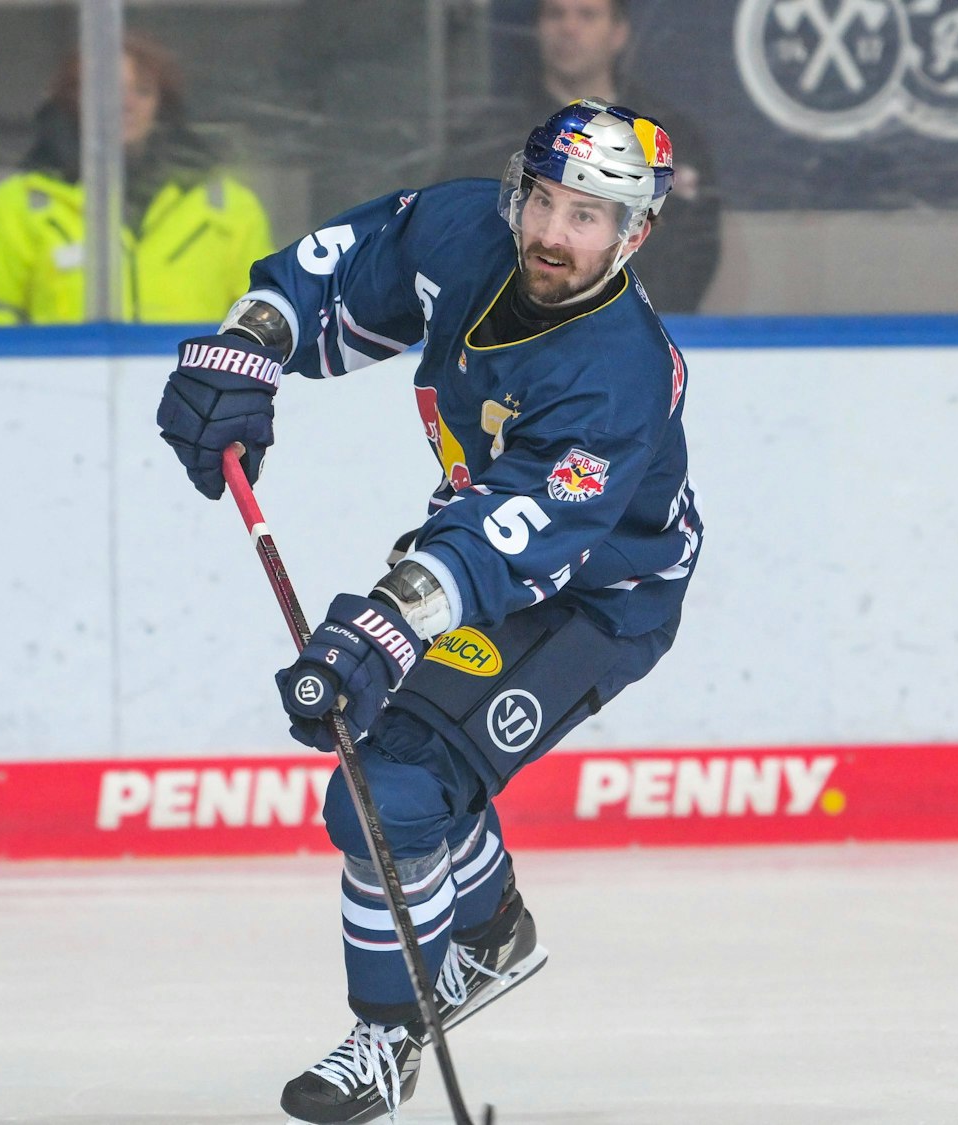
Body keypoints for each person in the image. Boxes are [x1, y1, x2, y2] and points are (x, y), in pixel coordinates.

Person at [156, 98, 702, 1123]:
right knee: (394, 778)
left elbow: (520, 531)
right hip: (473, 558)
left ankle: (391, 1035)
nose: (550, 232)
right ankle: (490, 935)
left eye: (586, 216)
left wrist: (391, 620)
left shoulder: (615, 373)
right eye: (542, 199)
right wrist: (245, 346)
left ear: (634, 234)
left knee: (390, 788)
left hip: (596, 595)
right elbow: (335, 265)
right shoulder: (466, 233)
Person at [0, 35, 274, 325]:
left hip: (195, 384)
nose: (126, 104)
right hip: (61, 386)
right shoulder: (17, 206)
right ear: (73, 98)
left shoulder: (227, 206)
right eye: (107, 89)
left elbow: (258, 316)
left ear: (162, 104)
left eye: (143, 91)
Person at [443, 0, 722, 314]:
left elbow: (693, 254)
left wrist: (624, 322)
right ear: (537, 29)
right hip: (514, 328)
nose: (569, 28)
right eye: (556, 14)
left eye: (587, 15)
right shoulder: (489, 136)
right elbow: (461, 242)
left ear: (619, 32)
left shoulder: (668, 140)